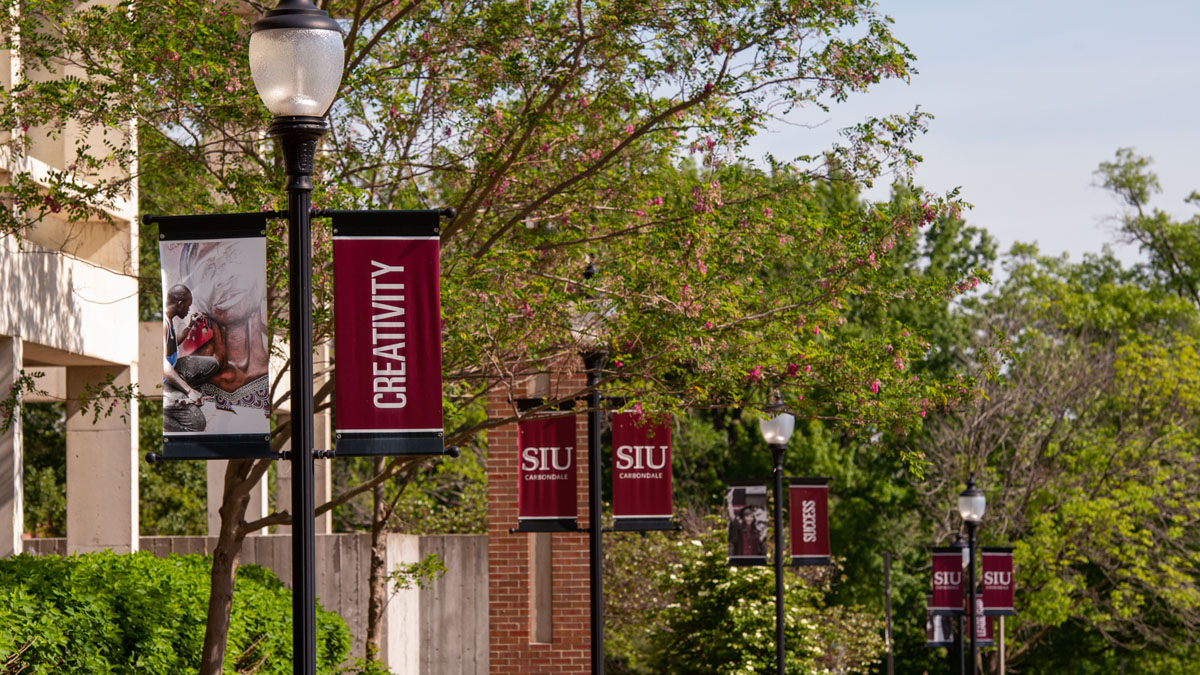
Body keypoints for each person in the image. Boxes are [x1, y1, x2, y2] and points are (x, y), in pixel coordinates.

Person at [162, 284, 219, 432]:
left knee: (212, 364)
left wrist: (190, 325)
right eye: (187, 306)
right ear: (179, 304)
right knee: (197, 423)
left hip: (174, 369)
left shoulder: (169, 320)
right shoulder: (163, 324)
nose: (188, 310)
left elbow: (173, 344)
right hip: (165, 378)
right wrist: (188, 391)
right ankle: (165, 416)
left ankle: (182, 387)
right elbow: (163, 365)